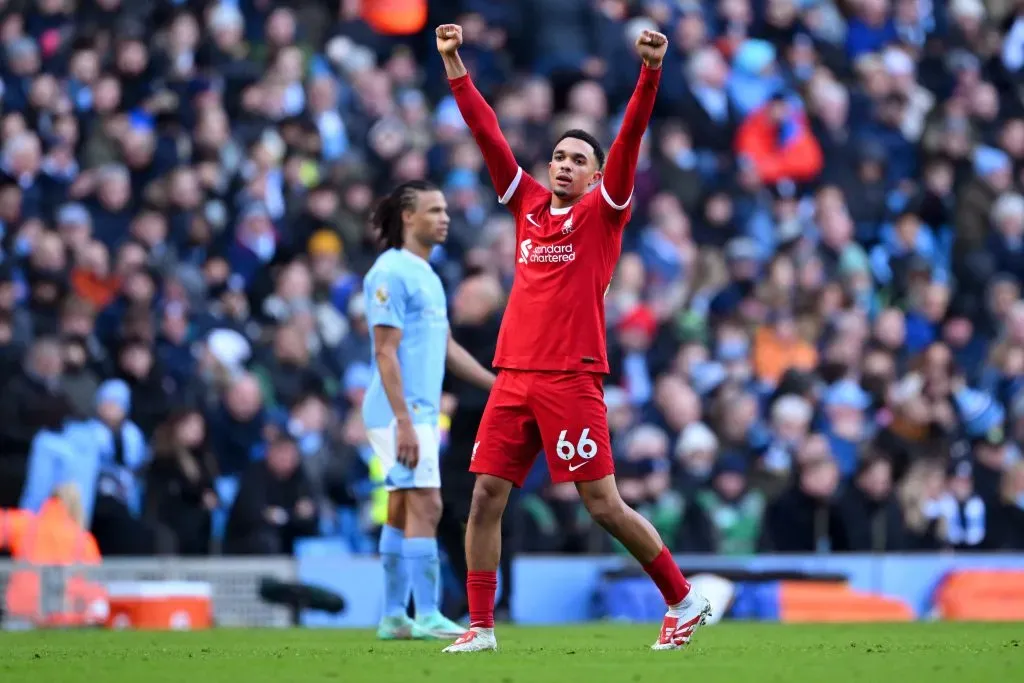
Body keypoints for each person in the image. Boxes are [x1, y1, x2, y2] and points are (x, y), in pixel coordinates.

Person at [436, 23, 711, 653]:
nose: (563, 165)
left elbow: (632, 136)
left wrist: (648, 73)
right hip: (513, 375)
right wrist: (455, 66)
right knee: (483, 498)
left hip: (570, 375)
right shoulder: (528, 204)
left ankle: (683, 597)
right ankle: (481, 626)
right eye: (558, 156)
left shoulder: (603, 211)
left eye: (577, 160)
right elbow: (487, 135)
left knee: (603, 505)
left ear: (595, 177)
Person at [362, 180, 497, 641]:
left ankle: (395, 616)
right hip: (398, 410)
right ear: (408, 216)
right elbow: (385, 353)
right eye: (434, 210)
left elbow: (445, 347)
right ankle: (429, 613)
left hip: (414, 412)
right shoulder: (390, 272)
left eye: (445, 210)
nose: (445, 218)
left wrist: (496, 385)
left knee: (402, 508)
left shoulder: (429, 275)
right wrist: (403, 420)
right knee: (429, 503)